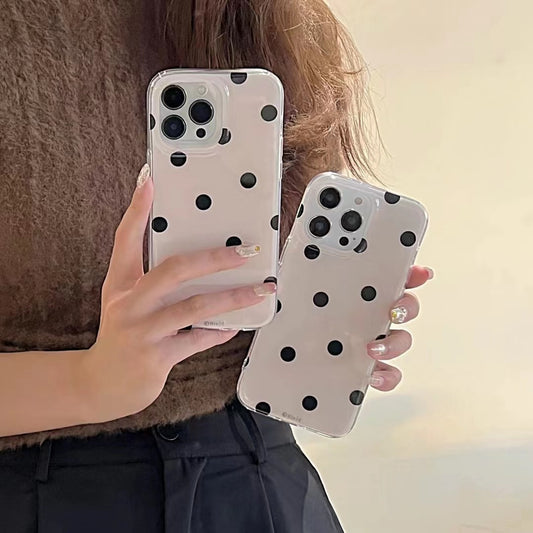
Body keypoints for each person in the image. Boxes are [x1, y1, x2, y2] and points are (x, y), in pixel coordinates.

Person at [0, 0, 433, 531]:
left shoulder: (279, 16)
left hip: (261, 476)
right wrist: (88, 381)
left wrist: (343, 317)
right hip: (42, 491)